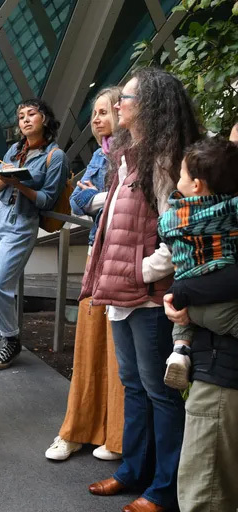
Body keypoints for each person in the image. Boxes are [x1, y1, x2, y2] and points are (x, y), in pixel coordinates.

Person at [80, 68, 199, 512]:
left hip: (148, 297)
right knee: (134, 385)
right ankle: (134, 472)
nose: (117, 106)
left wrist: (140, 272)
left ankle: (163, 488)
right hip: (123, 293)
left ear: (148, 105)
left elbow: (178, 233)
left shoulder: (167, 162)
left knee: (159, 392)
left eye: (125, 98)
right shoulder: (129, 157)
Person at [45, 87, 124, 462]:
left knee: (118, 351)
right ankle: (77, 429)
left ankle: (115, 434)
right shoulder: (97, 156)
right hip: (98, 256)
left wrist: (98, 198)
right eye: (94, 112)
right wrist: (99, 198)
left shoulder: (137, 155)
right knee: (89, 345)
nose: (96, 119)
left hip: (124, 261)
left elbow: (123, 201)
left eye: (105, 111)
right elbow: (77, 197)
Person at [163, 127, 238, 512]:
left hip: (224, 371)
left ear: (198, 183)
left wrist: (185, 298)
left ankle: (180, 347)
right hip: (214, 361)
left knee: (205, 492)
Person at [0, 98, 69, 370]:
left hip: (22, 221)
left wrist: (20, 184)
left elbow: (47, 199)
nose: (24, 120)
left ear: (44, 119)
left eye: (31, 114)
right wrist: (5, 177)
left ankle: (10, 339)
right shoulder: (15, 148)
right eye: (21, 116)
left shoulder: (55, 157)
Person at [158, 137, 238, 390]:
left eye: (180, 175)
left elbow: (164, 231)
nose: (176, 181)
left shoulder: (176, 218)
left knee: (181, 321)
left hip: (188, 291)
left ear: (195, 185)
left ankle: (179, 352)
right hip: (224, 290)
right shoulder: (230, 209)